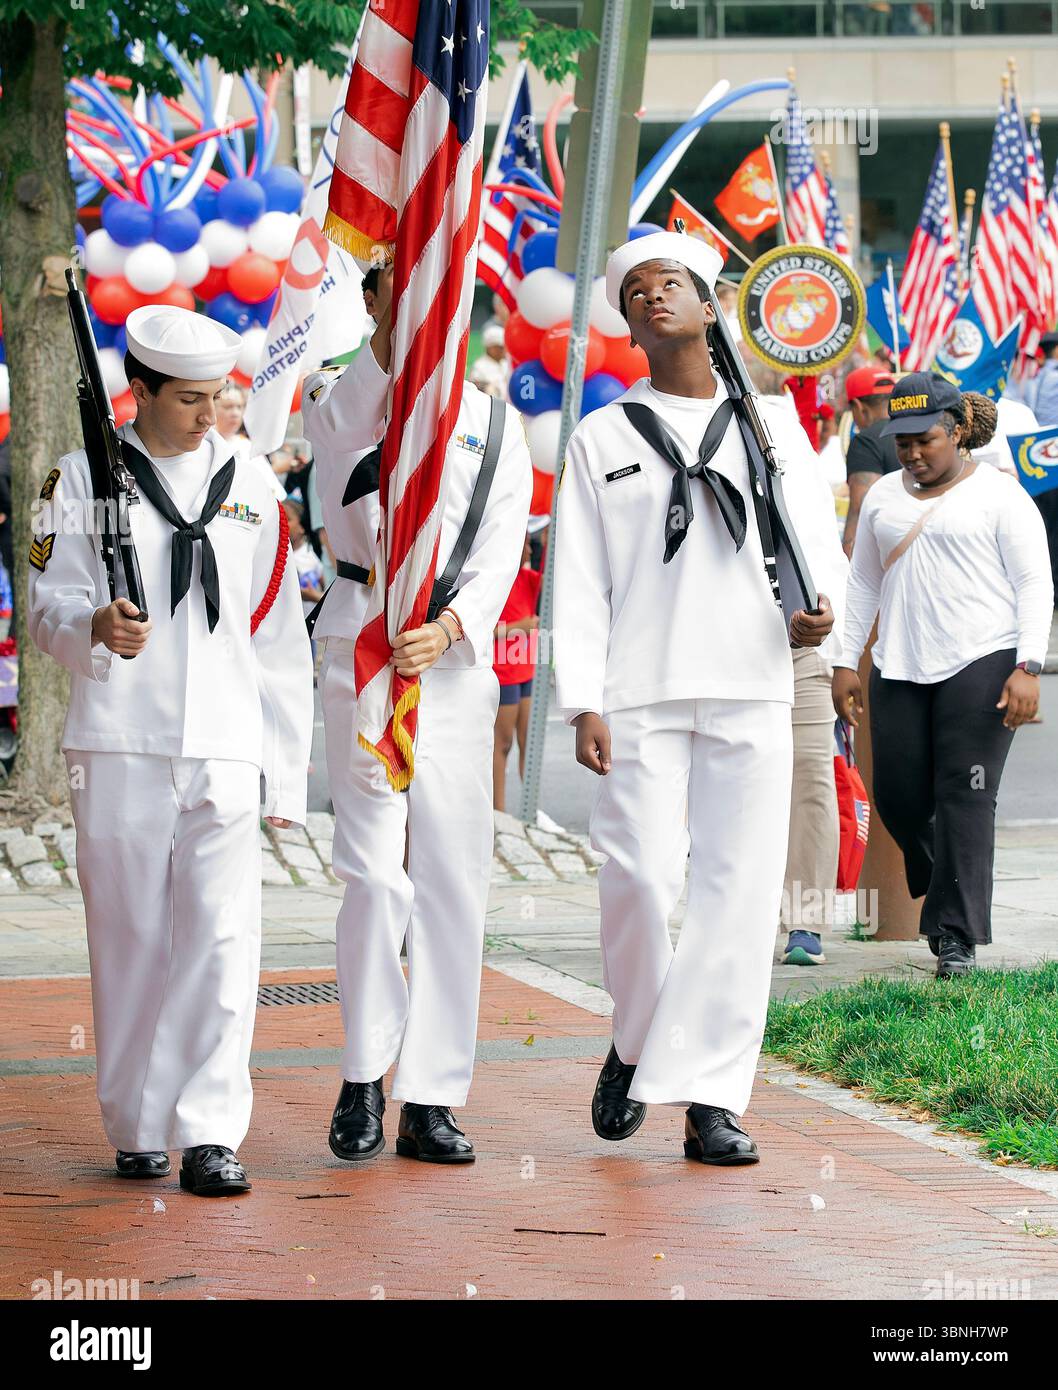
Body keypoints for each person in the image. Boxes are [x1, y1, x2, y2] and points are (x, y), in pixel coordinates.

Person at [552, 231, 837, 1166]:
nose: (652, 296)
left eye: (669, 281)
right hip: (640, 687)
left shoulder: (771, 423)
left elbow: (812, 538)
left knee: (739, 893)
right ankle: (639, 1038)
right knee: (639, 876)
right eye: (634, 292)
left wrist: (820, 616)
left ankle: (713, 1095)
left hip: (751, 677)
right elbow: (579, 578)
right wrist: (582, 700)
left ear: (709, 307)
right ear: (628, 328)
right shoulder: (601, 436)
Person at [27, 304, 313, 1194]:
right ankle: (138, 1124)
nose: (207, 413)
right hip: (119, 740)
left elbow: (277, 632)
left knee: (224, 938)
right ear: (139, 390)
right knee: (131, 938)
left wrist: (284, 772)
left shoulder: (251, 480)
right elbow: (44, 604)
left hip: (225, 738)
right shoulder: (80, 476)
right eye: (188, 398)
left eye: (217, 395)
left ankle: (212, 1129)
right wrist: (92, 625)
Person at [303, 263, 532, 1165]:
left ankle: (431, 1093)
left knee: (450, 871)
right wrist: (392, 348)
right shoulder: (339, 393)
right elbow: (340, 433)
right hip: (363, 641)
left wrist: (452, 625)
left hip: (451, 658)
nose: (426, 300)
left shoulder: (497, 421)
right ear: (372, 301)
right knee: (371, 871)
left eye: (441, 286)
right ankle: (365, 1069)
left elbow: (504, 541)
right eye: (401, 285)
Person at [832, 374, 1053, 978]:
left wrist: (1028, 665)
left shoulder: (1001, 496)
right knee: (899, 799)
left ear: (956, 432)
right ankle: (951, 885)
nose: (911, 453)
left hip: (983, 662)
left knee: (966, 796)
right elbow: (863, 583)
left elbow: (1034, 583)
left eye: (924, 440)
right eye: (901, 443)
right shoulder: (883, 498)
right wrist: (846, 662)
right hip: (900, 664)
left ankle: (956, 936)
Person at [492, 517, 546, 811]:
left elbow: (552, 572)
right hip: (504, 673)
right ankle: (497, 813)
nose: (530, 548)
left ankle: (530, 812)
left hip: (527, 670)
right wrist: (520, 627)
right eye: (526, 543)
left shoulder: (529, 579)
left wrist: (550, 536)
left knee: (529, 743)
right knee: (502, 745)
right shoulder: (496, 582)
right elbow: (484, 630)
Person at [841, 365, 897, 557]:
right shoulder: (918, 433)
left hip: (885, 555)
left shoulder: (865, 442)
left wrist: (848, 559)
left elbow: (861, 509)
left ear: (858, 407)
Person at [283, 498, 325, 619]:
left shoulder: (312, 554)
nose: (281, 523)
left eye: (287, 519)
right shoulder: (276, 557)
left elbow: (325, 585)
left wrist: (313, 596)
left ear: (302, 526)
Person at [468, 323, 511, 399]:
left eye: (505, 347)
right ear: (490, 348)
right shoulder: (479, 367)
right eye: (500, 347)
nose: (504, 350)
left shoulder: (506, 364)